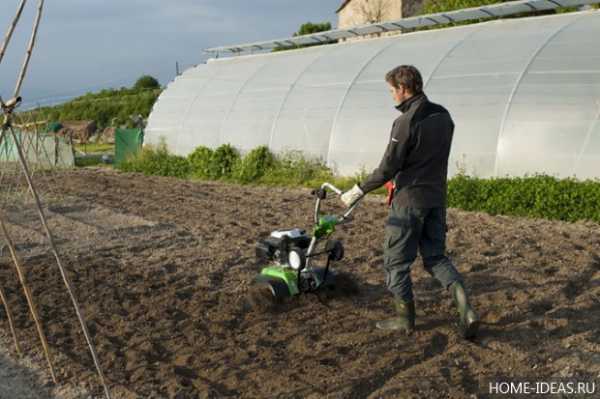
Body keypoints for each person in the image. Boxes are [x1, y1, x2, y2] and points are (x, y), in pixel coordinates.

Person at [340, 65, 479, 338]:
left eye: (392, 90)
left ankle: (405, 319)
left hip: (409, 201)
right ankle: (466, 309)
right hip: (436, 198)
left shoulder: (406, 122)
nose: (391, 96)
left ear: (404, 89)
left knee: (396, 262)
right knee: (435, 257)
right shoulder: (443, 115)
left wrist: (358, 190)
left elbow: (387, 168)